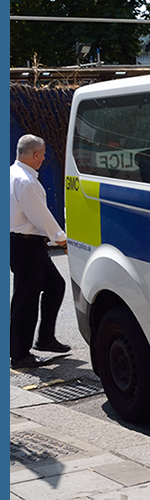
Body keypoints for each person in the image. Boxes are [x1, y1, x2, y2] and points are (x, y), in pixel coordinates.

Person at [10, 134, 70, 369]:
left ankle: (45, 338)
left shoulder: (11, 173)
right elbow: (41, 216)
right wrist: (63, 242)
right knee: (27, 298)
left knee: (55, 285)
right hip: (26, 244)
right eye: (43, 154)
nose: (44, 158)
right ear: (35, 155)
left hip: (22, 242)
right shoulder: (26, 181)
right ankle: (20, 355)